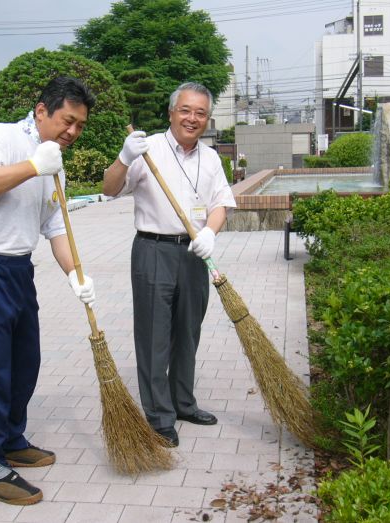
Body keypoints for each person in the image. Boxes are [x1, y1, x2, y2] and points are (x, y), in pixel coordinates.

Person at [0, 76, 97, 505]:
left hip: (17, 270)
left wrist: (76, 275)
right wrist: (34, 166)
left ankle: (13, 438)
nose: (72, 131)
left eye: (80, 125)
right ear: (41, 111)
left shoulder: (56, 166)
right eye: (67, 121)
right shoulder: (2, 137)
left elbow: (55, 227)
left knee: (24, 362)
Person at [103, 82, 236, 447]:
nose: (192, 118)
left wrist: (210, 231)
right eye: (186, 110)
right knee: (154, 336)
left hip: (195, 253)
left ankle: (183, 402)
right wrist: (124, 157)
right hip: (153, 250)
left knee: (187, 332)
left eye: (200, 113)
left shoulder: (210, 158)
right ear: (171, 112)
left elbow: (220, 203)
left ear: (207, 118)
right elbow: (110, 187)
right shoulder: (149, 150)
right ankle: (159, 416)